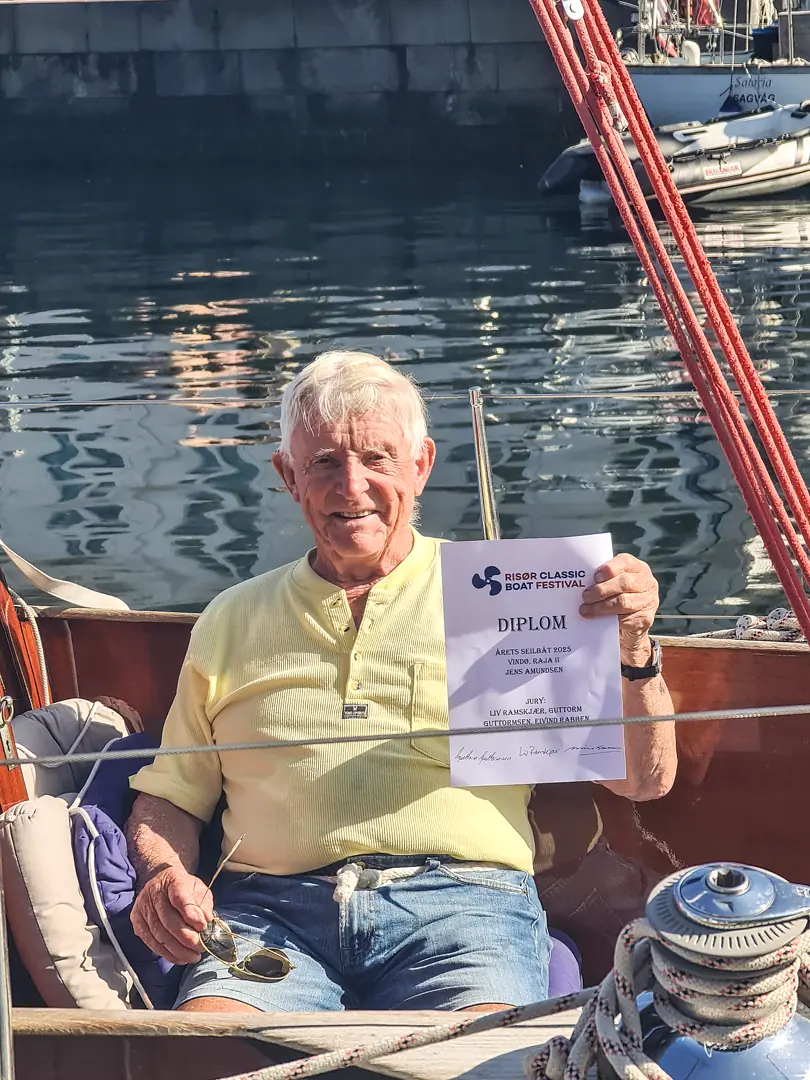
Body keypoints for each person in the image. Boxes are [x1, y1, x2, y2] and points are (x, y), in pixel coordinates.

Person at [127, 350, 677, 1014]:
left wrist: (633, 647)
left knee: (471, 1061)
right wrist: (165, 876)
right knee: (212, 1054)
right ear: (288, 476)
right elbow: (173, 797)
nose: (351, 485)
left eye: (377, 458)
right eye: (324, 462)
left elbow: (644, 781)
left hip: (465, 908)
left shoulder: (514, 594)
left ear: (421, 465)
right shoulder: (231, 617)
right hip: (270, 914)